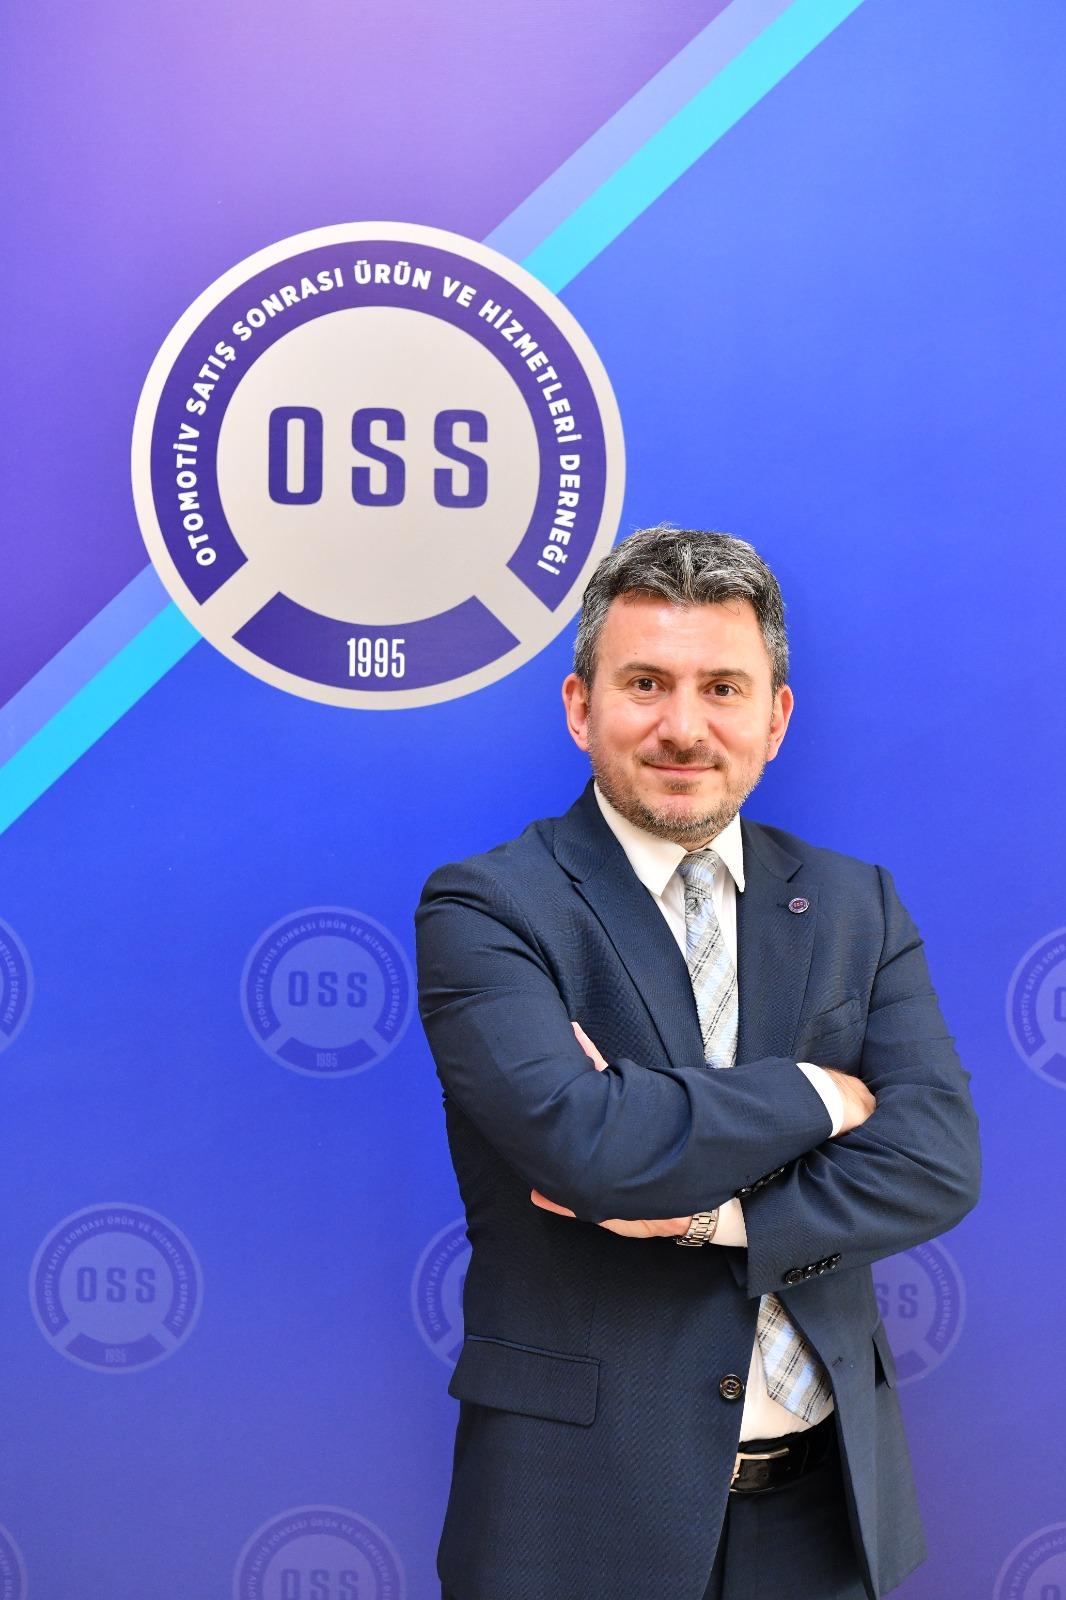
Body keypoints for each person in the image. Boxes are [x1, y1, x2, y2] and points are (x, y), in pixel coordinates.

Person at [415, 526, 981, 1600]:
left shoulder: (855, 904)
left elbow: (937, 1160)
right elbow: (589, 1147)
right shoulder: (489, 907)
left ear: (775, 717)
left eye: (723, 688)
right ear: (580, 706)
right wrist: (818, 1094)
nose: (684, 727)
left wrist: (703, 1214)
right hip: (576, 1520)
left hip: (823, 1515)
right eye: (645, 684)